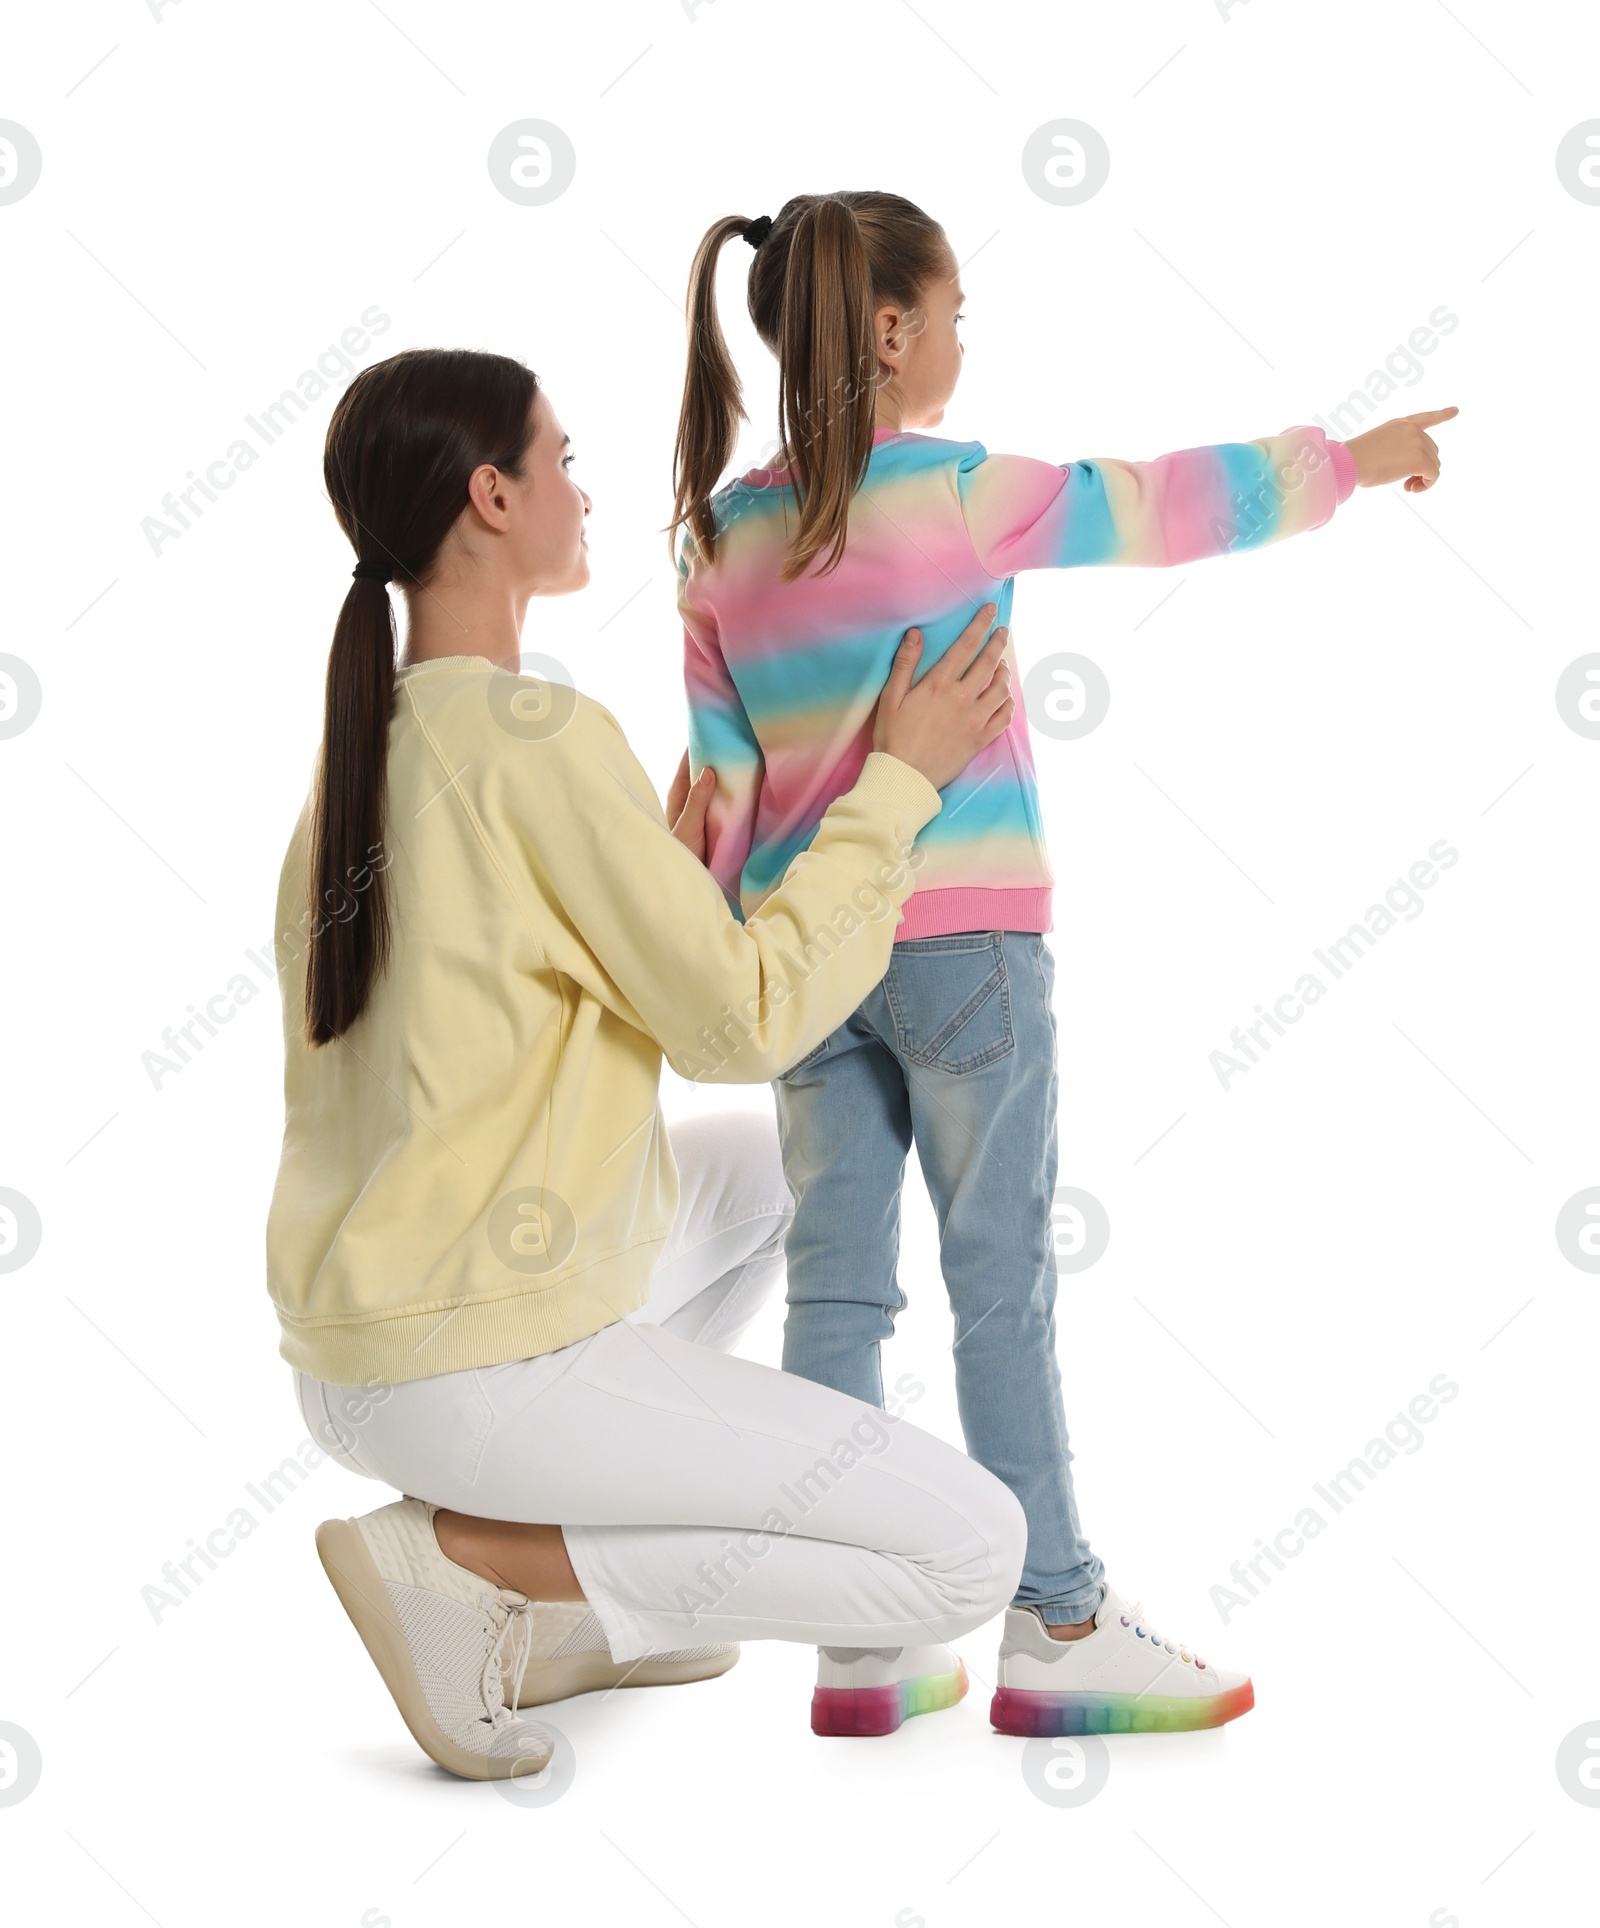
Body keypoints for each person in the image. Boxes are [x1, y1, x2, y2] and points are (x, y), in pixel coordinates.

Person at [671, 190, 1458, 1735]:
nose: (964, 340)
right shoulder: (962, 494)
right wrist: (1352, 462)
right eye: (955, 313)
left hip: (801, 963)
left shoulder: (720, 539)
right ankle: (1057, 1623)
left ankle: (859, 1644)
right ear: (892, 328)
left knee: (837, 1289)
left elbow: (715, 798)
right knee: (1000, 1286)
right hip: (966, 949)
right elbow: (1169, 501)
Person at [265, 345, 1029, 1783]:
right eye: (559, 459)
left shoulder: (363, 761)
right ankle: (474, 1559)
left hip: (368, 1348)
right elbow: (744, 1024)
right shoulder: (537, 739)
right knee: (971, 1555)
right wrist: (899, 788)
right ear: (492, 497)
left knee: (758, 1176)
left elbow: (487, 1023)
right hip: (475, 1369)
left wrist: (657, 896)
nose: (581, 485)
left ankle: (564, 1608)